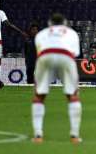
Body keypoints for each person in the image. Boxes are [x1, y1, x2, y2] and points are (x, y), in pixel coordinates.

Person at [32, 13, 82, 144]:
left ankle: (38, 135)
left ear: (50, 23)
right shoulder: (71, 33)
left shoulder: (42, 33)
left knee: (39, 95)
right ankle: (74, 136)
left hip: (45, 56)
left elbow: (39, 51)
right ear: (64, 23)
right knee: (73, 95)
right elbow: (75, 53)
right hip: (66, 56)